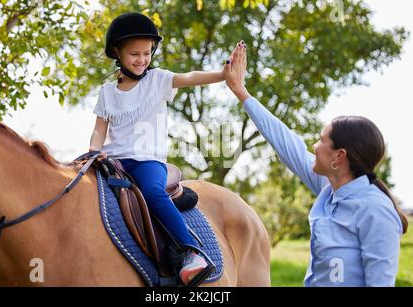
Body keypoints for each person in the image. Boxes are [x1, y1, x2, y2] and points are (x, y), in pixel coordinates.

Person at [224, 41, 409, 286]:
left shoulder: (376, 211)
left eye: (321, 141)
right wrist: (241, 92)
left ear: (339, 156)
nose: (314, 147)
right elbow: (286, 143)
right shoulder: (329, 187)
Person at [88, 12, 227, 285]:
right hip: (113, 161)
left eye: (147, 53)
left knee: (152, 192)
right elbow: (98, 131)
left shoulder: (157, 80)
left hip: (146, 161)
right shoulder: (107, 92)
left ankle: (190, 252)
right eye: (134, 54)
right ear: (117, 52)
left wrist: (222, 74)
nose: (141, 60)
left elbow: (190, 77)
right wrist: (93, 150)